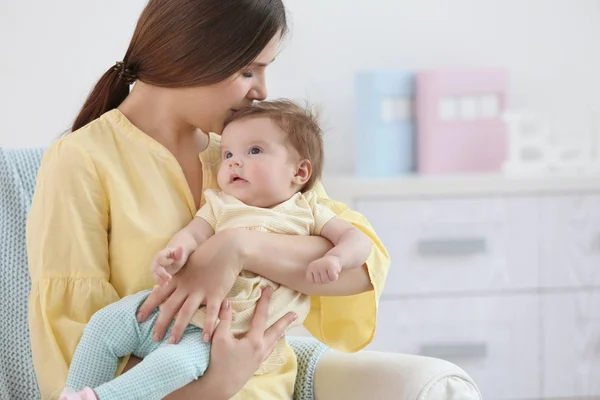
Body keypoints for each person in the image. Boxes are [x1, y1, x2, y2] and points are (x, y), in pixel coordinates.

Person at [27, 0, 390, 399]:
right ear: (189, 53)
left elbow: (361, 271)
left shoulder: (247, 152)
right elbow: (81, 352)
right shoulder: (82, 161)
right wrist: (217, 384)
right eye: (248, 70)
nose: (262, 91)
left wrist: (237, 246)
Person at [60, 99, 373, 400]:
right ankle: (73, 394)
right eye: (227, 154)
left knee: (175, 365)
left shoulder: (309, 211)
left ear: (299, 173)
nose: (235, 161)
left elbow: (358, 241)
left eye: (254, 151)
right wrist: (174, 253)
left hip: (215, 334)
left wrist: (335, 257)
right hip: (166, 307)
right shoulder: (221, 203)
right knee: (104, 324)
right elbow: (193, 233)